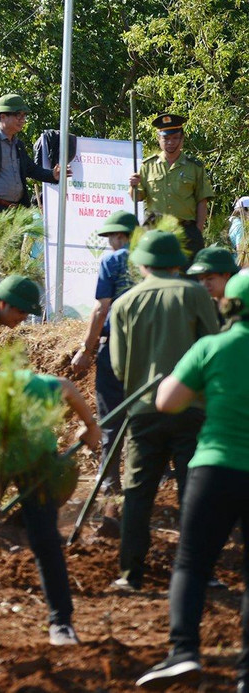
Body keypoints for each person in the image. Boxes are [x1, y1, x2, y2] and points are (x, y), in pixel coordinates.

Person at [135, 271, 249, 691]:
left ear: (229, 304)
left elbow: (168, 402)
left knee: (192, 563)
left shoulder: (211, 347)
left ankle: (183, 652)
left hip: (216, 467)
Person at [0, 355, 101, 650]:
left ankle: (61, 623)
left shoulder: (25, 387)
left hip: (34, 457)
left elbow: (66, 386)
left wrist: (90, 425)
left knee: (44, 537)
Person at [108, 230, 220, 592]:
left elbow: (119, 366)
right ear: (178, 264)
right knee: (195, 491)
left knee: (138, 492)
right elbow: (212, 345)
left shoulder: (124, 302)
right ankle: (200, 572)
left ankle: (130, 574)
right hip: (192, 407)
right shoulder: (195, 294)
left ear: (142, 264)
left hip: (142, 410)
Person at [69, 210, 138, 493]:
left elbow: (101, 307)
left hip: (117, 344)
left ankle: (109, 480)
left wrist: (87, 349)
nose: (110, 242)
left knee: (110, 413)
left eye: (111, 236)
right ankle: (140, 477)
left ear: (121, 236)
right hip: (148, 345)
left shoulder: (113, 259)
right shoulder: (152, 262)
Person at [0, 93, 63, 222]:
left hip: (15, 212)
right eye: (18, 115)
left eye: (24, 116)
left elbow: (31, 169)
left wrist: (52, 175)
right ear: (3, 116)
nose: (22, 120)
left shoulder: (18, 144)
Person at [130, 113, 212, 253]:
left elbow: (202, 200)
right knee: (155, 273)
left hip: (185, 232)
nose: (170, 142)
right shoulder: (147, 165)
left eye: (175, 138)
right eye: (166, 138)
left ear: (182, 139)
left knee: (187, 274)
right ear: (159, 139)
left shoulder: (194, 167)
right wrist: (133, 186)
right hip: (155, 231)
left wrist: (197, 230)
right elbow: (137, 197)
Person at [187, 247, 240, 318]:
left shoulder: (242, 306)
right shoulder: (202, 307)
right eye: (201, 279)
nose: (204, 284)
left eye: (209, 279)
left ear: (226, 274)